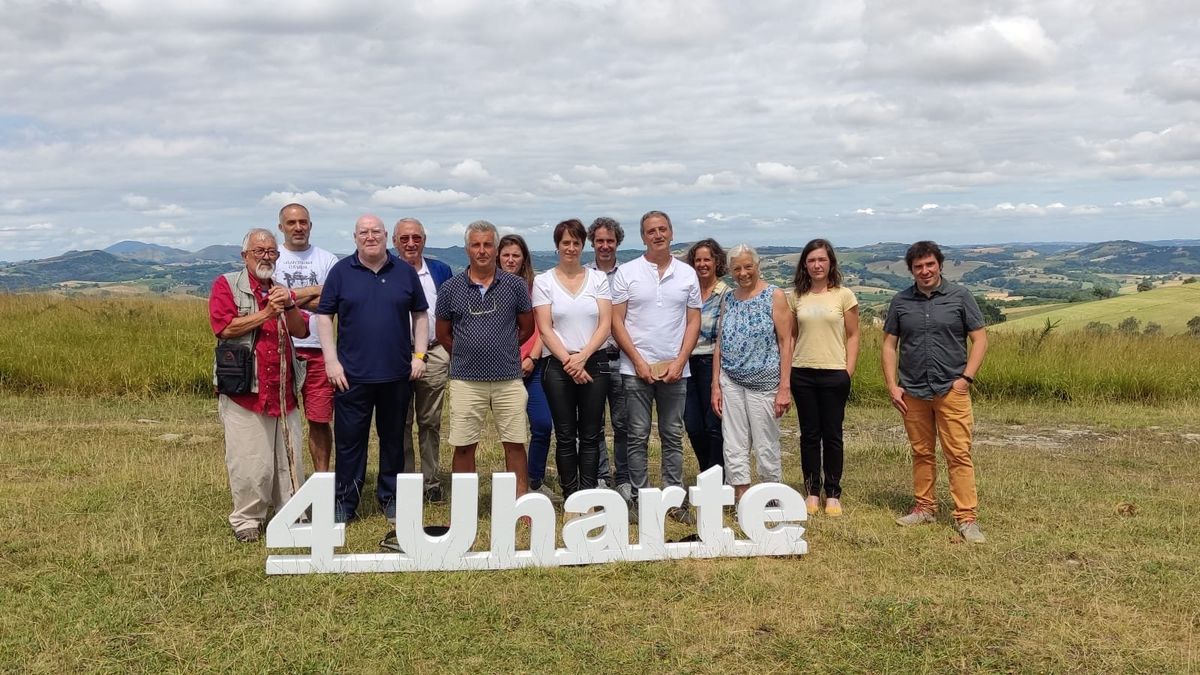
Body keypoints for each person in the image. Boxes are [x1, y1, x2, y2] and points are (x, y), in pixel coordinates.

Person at [315, 215, 428, 524]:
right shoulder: (341, 272)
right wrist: (330, 360)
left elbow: (420, 314)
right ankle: (345, 502)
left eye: (375, 231)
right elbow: (324, 317)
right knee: (350, 443)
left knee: (393, 441)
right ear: (355, 237)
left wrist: (420, 355)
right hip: (350, 377)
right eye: (363, 232)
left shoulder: (404, 272)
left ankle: (391, 499)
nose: (370, 236)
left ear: (385, 235)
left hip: (397, 375)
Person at [882, 240, 989, 544]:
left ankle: (966, 517)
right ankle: (924, 507)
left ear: (940, 265)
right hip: (912, 390)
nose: (925, 271)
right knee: (921, 452)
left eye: (930, 264)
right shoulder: (901, 302)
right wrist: (892, 386)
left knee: (958, 454)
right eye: (918, 266)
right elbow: (889, 345)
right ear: (911, 270)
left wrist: (966, 379)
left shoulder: (960, 296)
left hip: (951, 388)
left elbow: (979, 339)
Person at [209, 228, 308, 542]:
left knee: (289, 458)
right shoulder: (227, 285)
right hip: (245, 390)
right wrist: (266, 313)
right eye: (259, 252)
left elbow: (302, 331)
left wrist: (289, 304)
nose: (266, 257)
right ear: (245, 256)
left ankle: (291, 514)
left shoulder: (279, 288)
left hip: (282, 389)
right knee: (251, 460)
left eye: (271, 252)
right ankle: (247, 520)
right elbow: (223, 327)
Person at [611, 210, 701, 525]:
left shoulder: (688, 274)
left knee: (672, 435)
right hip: (635, 369)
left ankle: (673, 499)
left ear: (671, 233)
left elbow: (693, 322)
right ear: (643, 236)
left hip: (676, 371)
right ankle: (640, 499)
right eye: (651, 231)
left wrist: (680, 361)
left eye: (663, 229)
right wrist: (637, 361)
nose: (658, 235)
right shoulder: (628, 272)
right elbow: (616, 321)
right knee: (636, 435)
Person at [436, 221, 534, 497]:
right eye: (476, 245)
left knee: (515, 443)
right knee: (464, 444)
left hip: (508, 378)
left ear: (495, 247)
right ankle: (463, 505)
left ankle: (520, 503)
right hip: (466, 379)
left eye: (487, 244)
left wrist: (502, 347)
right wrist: (468, 351)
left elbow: (526, 327)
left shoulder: (514, 285)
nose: (482, 251)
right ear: (467, 249)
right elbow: (443, 333)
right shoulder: (450, 288)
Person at [534, 219, 612, 499]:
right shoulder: (544, 282)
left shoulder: (598, 279)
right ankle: (570, 495)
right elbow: (545, 327)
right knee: (566, 436)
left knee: (591, 435)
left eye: (576, 243)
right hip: (558, 365)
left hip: (594, 362)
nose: (571, 248)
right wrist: (569, 360)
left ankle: (587, 496)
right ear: (557, 246)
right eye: (565, 242)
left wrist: (583, 357)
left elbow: (606, 323)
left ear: (582, 246)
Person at [711, 245, 793, 503]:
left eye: (748, 267)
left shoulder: (775, 295)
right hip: (731, 380)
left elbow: (785, 342)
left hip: (765, 381)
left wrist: (784, 387)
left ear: (758, 266)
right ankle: (741, 497)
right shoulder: (729, 298)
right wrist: (716, 384)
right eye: (737, 268)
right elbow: (720, 343)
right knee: (734, 442)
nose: (743, 273)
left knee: (765, 443)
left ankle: (771, 498)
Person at [789, 239, 859, 517]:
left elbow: (853, 335)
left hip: (834, 372)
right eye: (811, 260)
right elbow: (791, 336)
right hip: (802, 372)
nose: (817, 265)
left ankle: (833, 493)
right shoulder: (796, 296)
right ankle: (811, 492)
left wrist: (847, 370)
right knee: (808, 435)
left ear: (831, 263)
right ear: (805, 265)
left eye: (822, 260)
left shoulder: (844, 295)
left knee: (832, 435)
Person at [272, 203, 339, 472]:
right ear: (281, 227)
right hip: (281, 347)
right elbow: (269, 300)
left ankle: (322, 480)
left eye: (303, 222)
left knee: (320, 418)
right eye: (291, 223)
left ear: (310, 225)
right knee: (278, 419)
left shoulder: (327, 259)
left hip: (319, 350)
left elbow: (333, 300)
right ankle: (286, 479)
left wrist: (291, 295)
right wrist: (315, 295)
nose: (298, 227)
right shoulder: (272, 258)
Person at [392, 218, 454, 503]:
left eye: (416, 238)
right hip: (396, 354)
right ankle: (406, 481)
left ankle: (430, 483)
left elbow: (452, 311)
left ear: (424, 239)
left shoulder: (441, 270)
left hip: (434, 351)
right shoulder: (386, 270)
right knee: (400, 421)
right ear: (395, 242)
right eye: (404, 239)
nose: (410, 244)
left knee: (430, 421)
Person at [497, 233, 558, 502]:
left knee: (543, 424)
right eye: (506, 255)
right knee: (509, 431)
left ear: (524, 259)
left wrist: (532, 358)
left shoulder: (536, 287)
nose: (510, 260)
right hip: (500, 369)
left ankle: (534, 481)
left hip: (533, 365)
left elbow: (544, 328)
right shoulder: (491, 287)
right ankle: (511, 486)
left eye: (516, 255)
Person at [585, 217, 629, 500]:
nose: (604, 246)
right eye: (599, 240)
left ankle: (623, 477)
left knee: (624, 423)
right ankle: (601, 476)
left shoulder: (627, 275)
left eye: (609, 241)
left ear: (618, 243)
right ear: (592, 242)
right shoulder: (584, 275)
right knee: (594, 422)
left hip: (622, 358)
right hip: (594, 358)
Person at [683, 239, 730, 474]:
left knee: (714, 425)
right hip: (686, 363)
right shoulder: (687, 293)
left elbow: (723, 337)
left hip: (712, 362)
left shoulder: (726, 295)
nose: (702, 264)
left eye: (707, 259)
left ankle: (717, 480)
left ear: (716, 262)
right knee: (693, 425)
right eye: (697, 260)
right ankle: (707, 475)